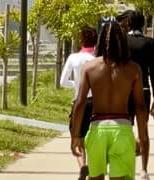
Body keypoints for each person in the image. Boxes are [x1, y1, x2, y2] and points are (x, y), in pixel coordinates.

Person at [71, 20, 148, 180]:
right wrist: (142, 136)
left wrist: (76, 135)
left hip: (97, 129)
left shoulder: (89, 67)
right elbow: (140, 107)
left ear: (100, 41)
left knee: (95, 177)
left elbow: (80, 104)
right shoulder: (133, 69)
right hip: (122, 130)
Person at [61, 26, 97, 180]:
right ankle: (96, 168)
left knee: (77, 135)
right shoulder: (98, 58)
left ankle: (83, 165)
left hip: (79, 101)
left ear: (81, 40)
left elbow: (62, 81)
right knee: (94, 137)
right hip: (96, 102)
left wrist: (77, 85)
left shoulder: (73, 58)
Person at [126, 10, 154, 180]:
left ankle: (127, 164)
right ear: (144, 24)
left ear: (129, 24)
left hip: (125, 91)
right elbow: (153, 70)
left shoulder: (123, 40)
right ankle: (144, 170)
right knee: (143, 131)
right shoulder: (150, 43)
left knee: (125, 130)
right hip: (144, 90)